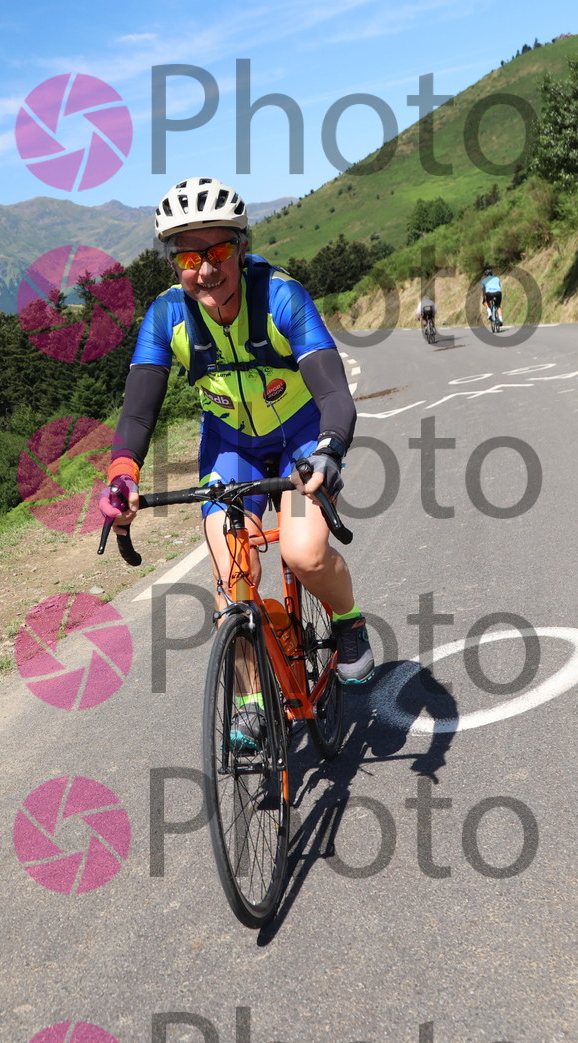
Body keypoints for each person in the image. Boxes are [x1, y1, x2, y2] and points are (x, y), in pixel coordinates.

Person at [97, 177, 375, 750]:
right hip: (231, 446)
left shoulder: (281, 296)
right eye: (189, 257)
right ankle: (250, 699)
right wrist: (123, 476)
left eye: (219, 250)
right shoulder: (166, 317)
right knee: (232, 580)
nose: (206, 269)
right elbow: (138, 414)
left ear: (242, 248)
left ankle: (348, 621)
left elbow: (333, 393)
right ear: (174, 263)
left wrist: (330, 450)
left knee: (303, 553)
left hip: (301, 437)